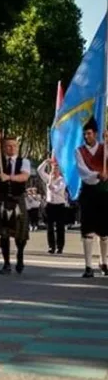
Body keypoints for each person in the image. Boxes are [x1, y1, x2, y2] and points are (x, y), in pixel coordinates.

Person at [0, 131, 31, 275]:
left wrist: (9, 177)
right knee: (4, 234)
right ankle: (6, 264)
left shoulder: (24, 162)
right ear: (4, 148)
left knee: (20, 235)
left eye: (13, 146)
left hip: (18, 198)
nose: (11, 149)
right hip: (4, 199)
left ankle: (20, 256)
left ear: (17, 147)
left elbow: (24, 177)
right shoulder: (0, 161)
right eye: (8, 146)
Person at [75, 117, 108, 278]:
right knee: (87, 230)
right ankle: (88, 266)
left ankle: (104, 262)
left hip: (104, 192)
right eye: (84, 134)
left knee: (104, 231)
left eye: (89, 133)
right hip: (88, 192)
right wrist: (97, 174)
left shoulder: (104, 148)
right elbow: (83, 172)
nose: (86, 136)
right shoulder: (79, 151)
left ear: (95, 134)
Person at [37, 158, 66, 254]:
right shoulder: (48, 178)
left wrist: (52, 187)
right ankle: (51, 247)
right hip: (50, 205)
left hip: (60, 205)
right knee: (49, 227)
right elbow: (39, 170)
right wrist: (46, 162)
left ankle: (60, 247)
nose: (55, 169)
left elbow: (59, 189)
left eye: (57, 168)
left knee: (60, 227)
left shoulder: (62, 180)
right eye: (54, 167)